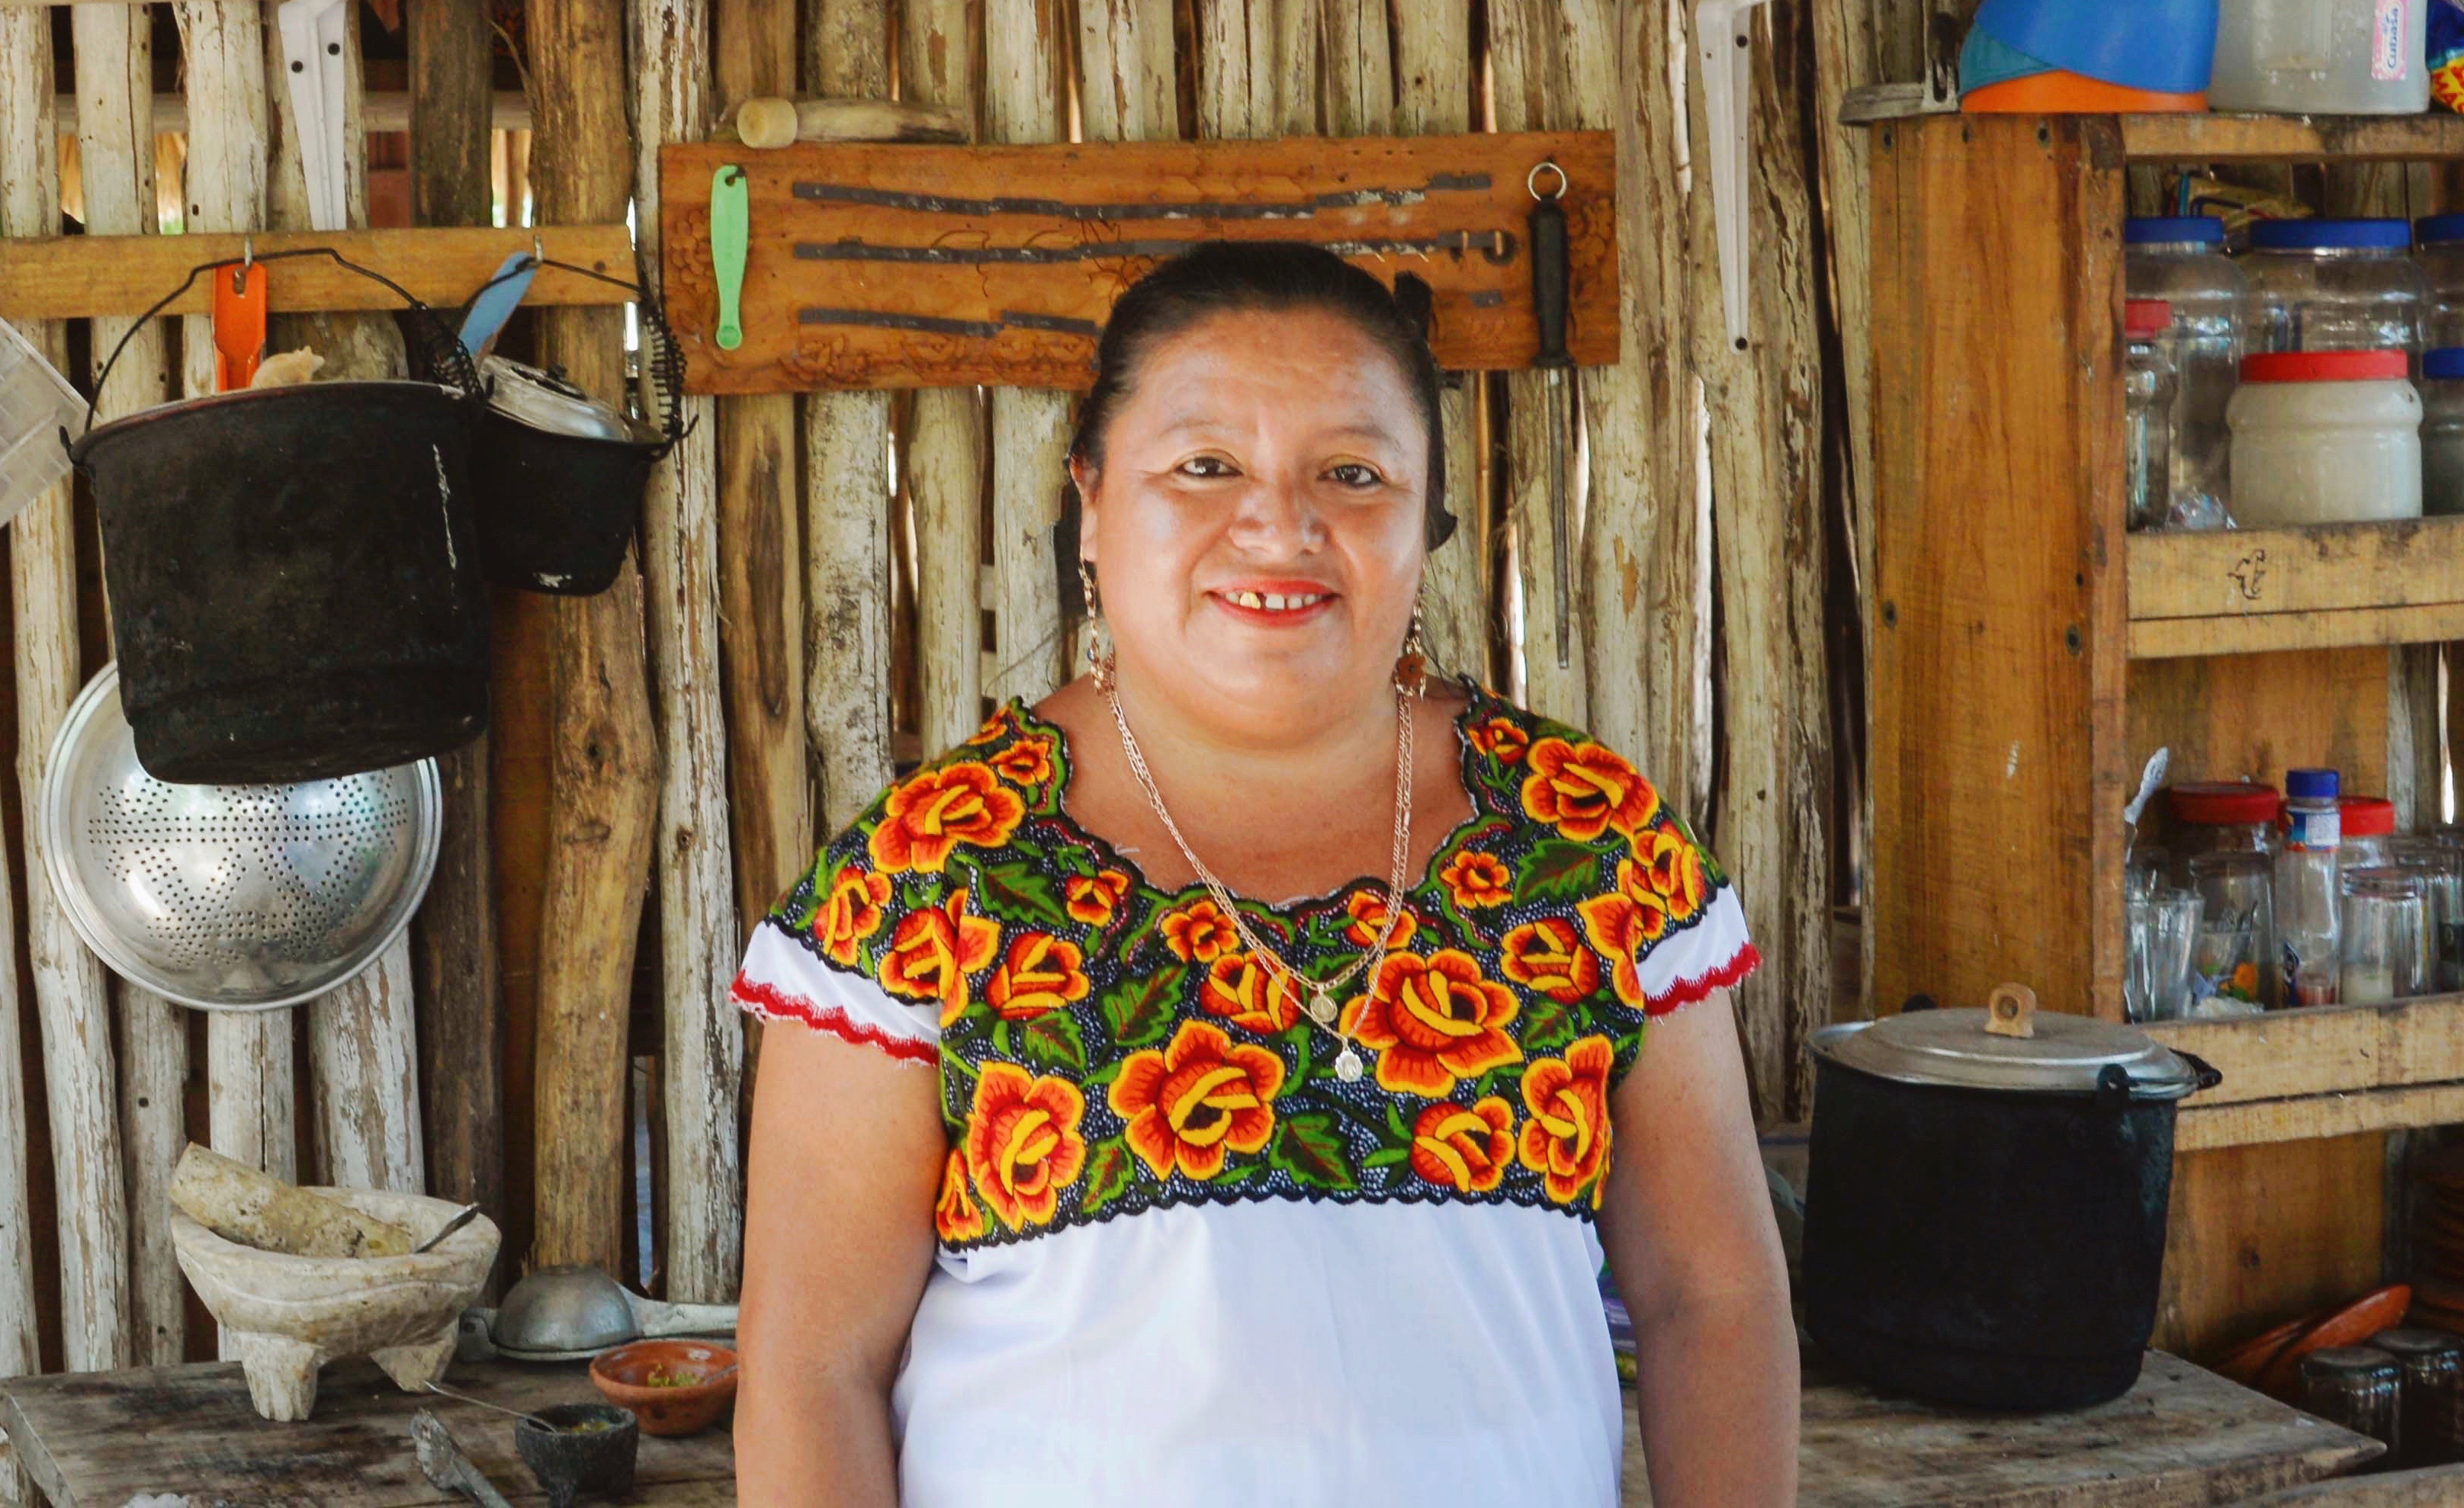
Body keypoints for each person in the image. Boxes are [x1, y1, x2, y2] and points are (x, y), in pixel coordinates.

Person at [731, 242, 1797, 1506]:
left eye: (1352, 473)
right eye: (1204, 466)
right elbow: (813, 1369)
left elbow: (1710, 1301)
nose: (1279, 526)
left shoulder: (1589, 843)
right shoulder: (931, 870)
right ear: (1092, 499)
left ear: (1427, 522)